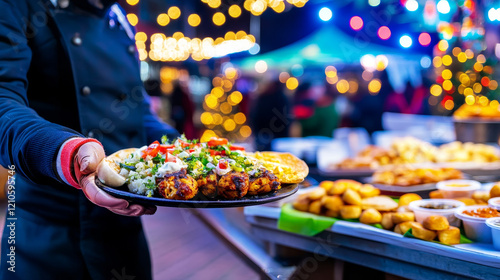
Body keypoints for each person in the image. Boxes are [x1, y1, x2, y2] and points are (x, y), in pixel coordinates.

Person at [0, 0, 179, 279]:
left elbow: (136, 110)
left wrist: (185, 151)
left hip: (126, 233)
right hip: (51, 237)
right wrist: (70, 153)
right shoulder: (19, 6)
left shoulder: (119, 18)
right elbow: (4, 104)